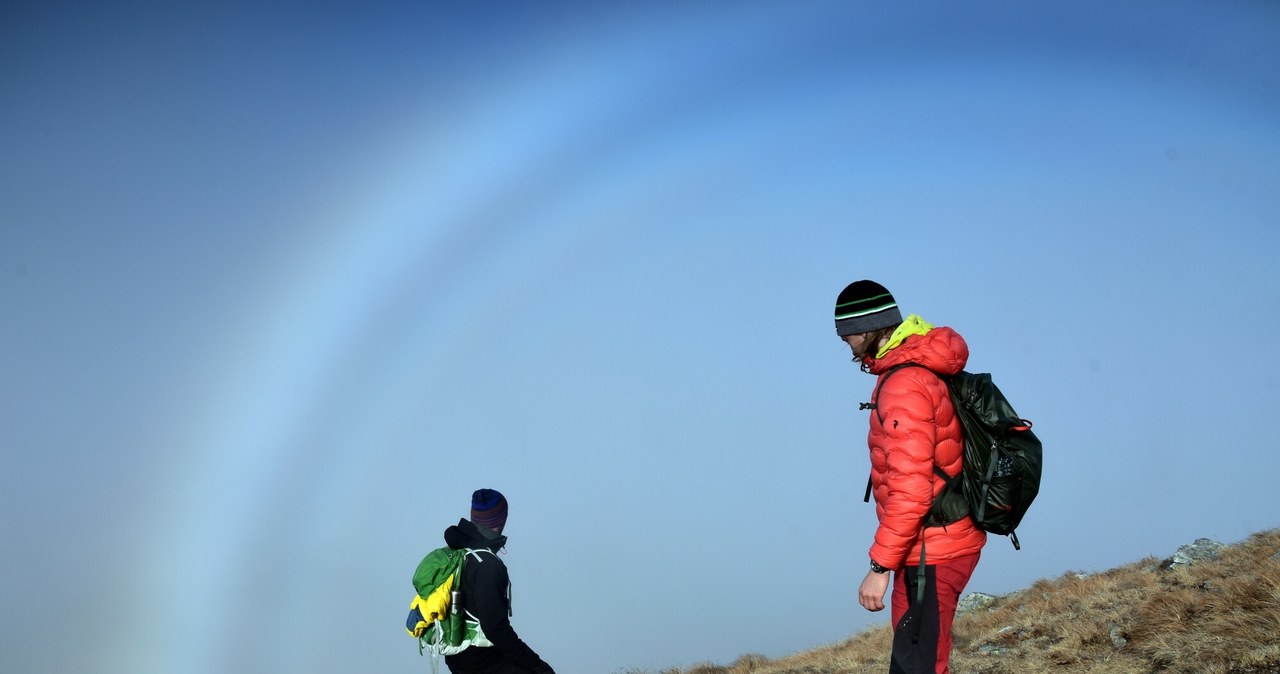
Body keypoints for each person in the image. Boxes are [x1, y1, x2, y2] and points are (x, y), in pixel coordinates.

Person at [834, 280, 986, 674]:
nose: (844, 340)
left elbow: (912, 490)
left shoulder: (904, 384)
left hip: (932, 552)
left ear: (871, 327)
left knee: (918, 667)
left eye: (847, 330)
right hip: (933, 544)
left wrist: (878, 569)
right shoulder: (915, 368)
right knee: (918, 662)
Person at [441, 489, 556, 674]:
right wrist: (539, 667)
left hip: (458, 659)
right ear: (501, 520)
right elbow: (495, 629)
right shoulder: (488, 565)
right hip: (482, 662)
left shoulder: (458, 553)